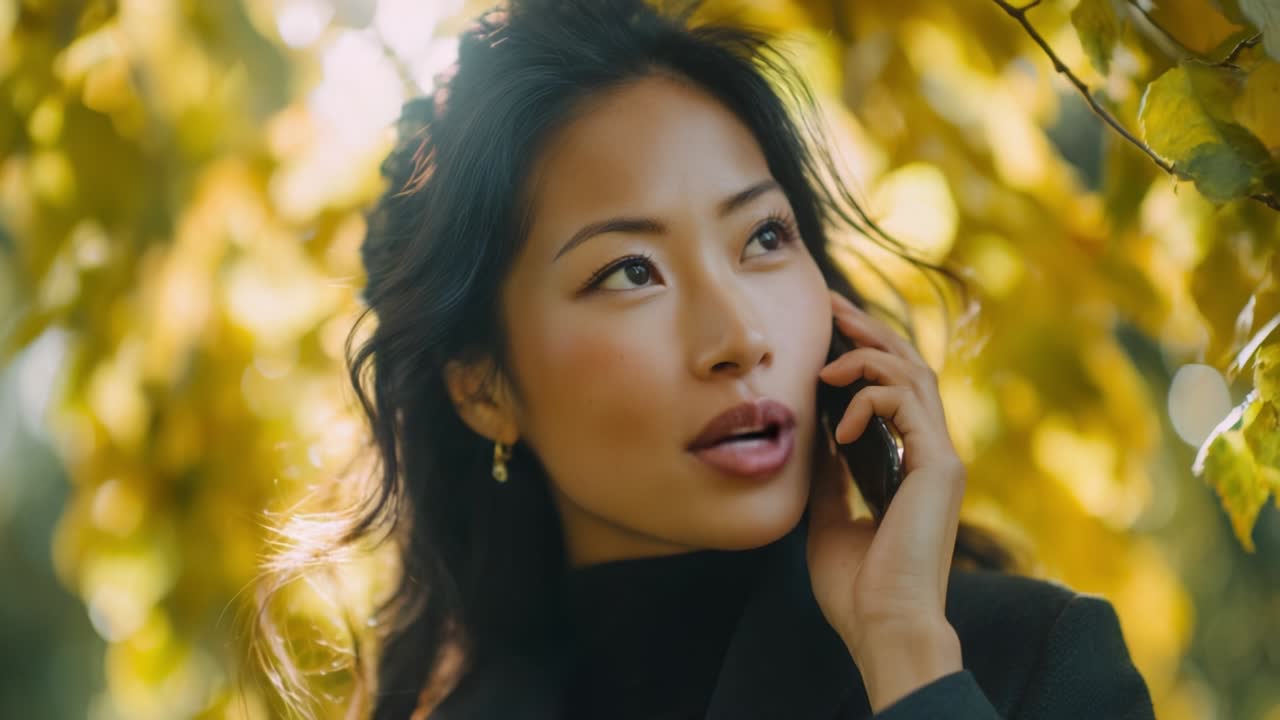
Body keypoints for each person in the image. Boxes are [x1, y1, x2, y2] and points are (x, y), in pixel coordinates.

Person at [256, 0, 1159, 718]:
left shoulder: (1033, 664)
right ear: (484, 388)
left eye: (765, 236)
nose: (739, 338)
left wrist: (910, 662)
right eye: (629, 272)